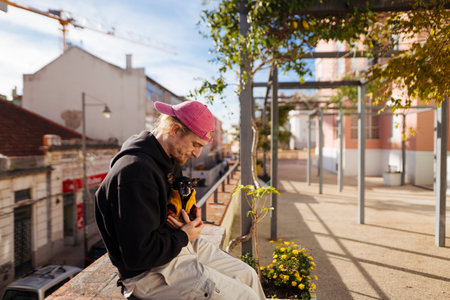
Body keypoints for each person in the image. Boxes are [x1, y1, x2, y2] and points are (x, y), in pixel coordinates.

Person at [94, 100, 265, 300]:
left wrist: (188, 217)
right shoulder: (135, 172)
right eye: (195, 144)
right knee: (245, 297)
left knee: (248, 275)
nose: (197, 153)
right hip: (148, 273)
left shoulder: (167, 158)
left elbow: (167, 209)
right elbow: (137, 256)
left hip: (176, 246)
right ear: (175, 129)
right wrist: (183, 236)